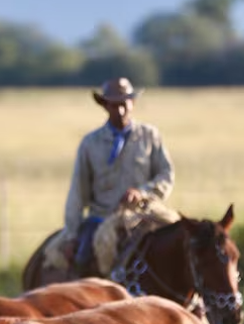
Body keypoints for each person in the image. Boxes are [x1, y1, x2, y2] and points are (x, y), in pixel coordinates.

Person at [60, 77, 175, 276]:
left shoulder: (149, 136)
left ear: (133, 103)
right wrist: (71, 233)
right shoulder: (90, 143)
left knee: (181, 239)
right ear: (105, 105)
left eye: (124, 104)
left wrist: (143, 192)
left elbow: (166, 174)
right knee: (87, 257)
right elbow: (78, 192)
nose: (120, 111)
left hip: (144, 212)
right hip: (104, 217)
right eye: (114, 105)